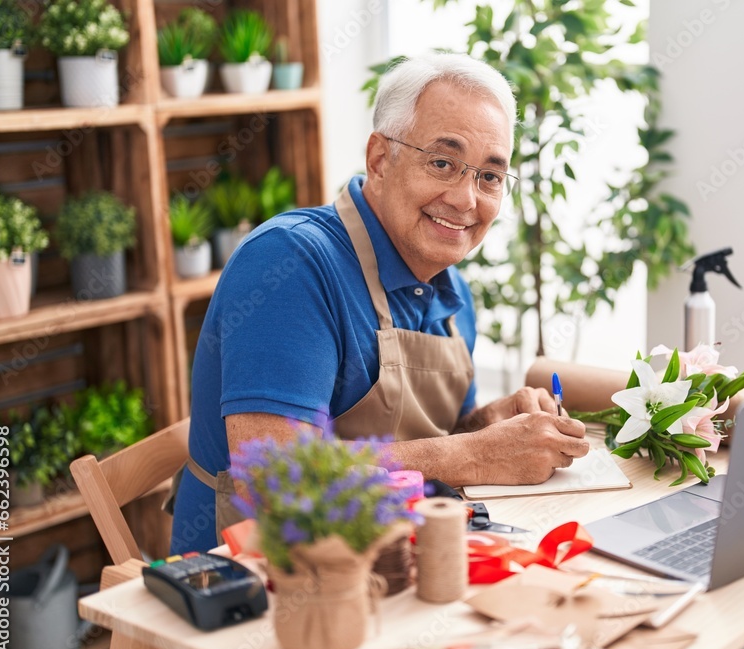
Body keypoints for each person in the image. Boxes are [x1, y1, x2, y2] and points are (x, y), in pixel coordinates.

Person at [169, 53, 589, 554]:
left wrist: (490, 425)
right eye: (442, 163)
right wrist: (472, 455)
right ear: (380, 159)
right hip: (257, 579)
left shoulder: (452, 290)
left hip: (392, 554)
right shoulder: (290, 264)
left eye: (490, 177)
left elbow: (433, 436)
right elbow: (271, 480)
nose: (465, 199)